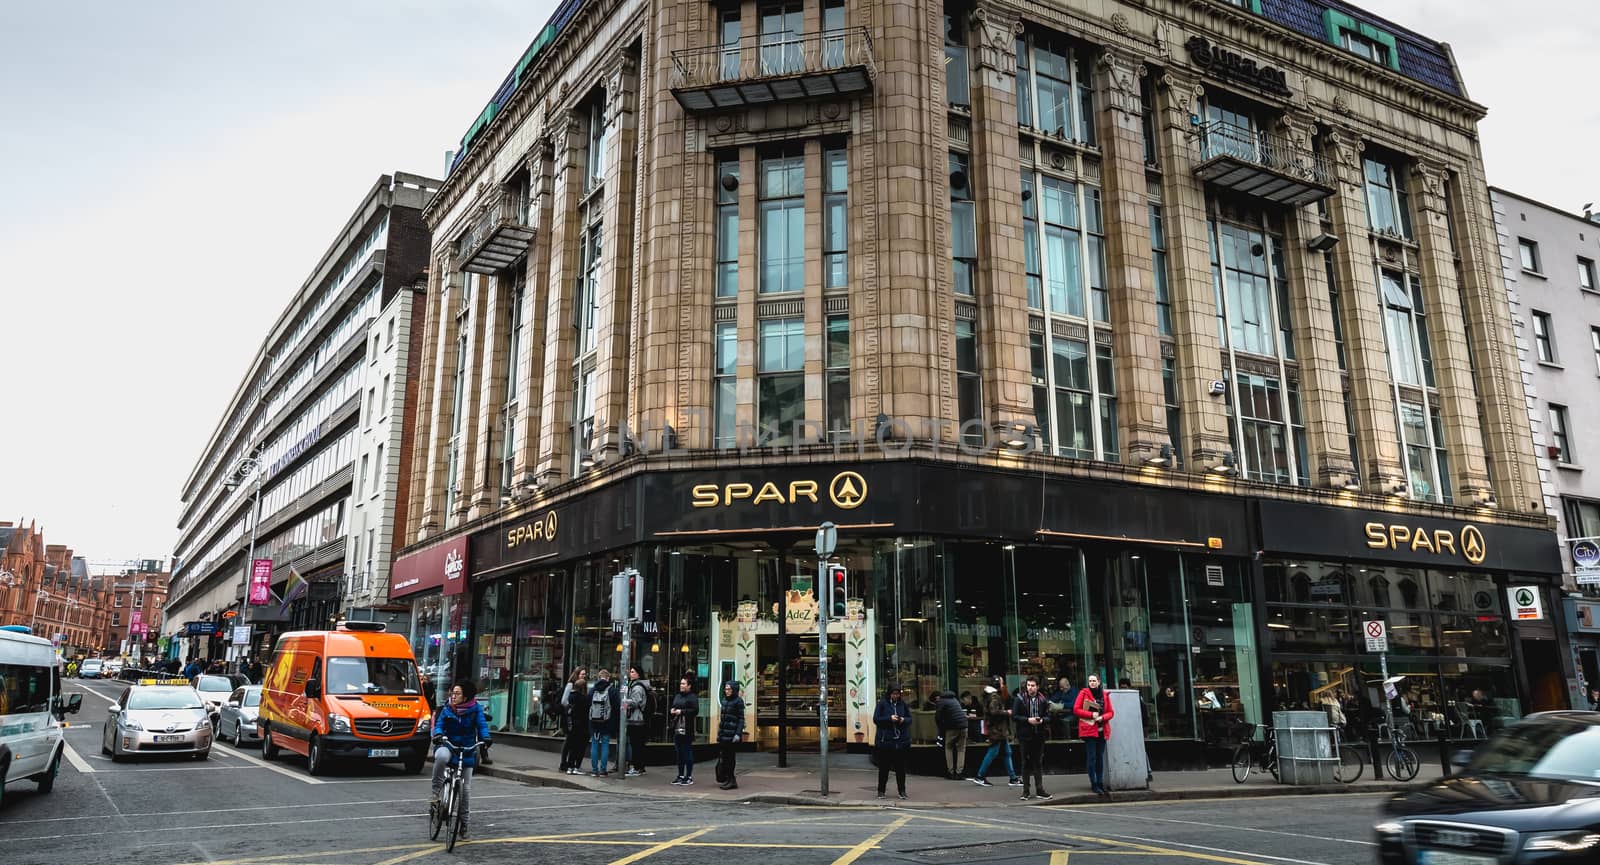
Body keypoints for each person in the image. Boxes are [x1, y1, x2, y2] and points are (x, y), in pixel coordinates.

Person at [430, 681, 490, 840]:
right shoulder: (447, 707)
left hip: (467, 750)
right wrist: (438, 734)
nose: (453, 696)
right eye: (452, 693)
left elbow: (482, 725)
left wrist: (486, 738)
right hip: (448, 745)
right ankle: (436, 794)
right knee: (441, 757)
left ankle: (464, 825)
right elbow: (439, 724)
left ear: (466, 697)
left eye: (457, 693)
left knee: (466, 790)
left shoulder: (476, 709)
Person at [971, 675, 1019, 787]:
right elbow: (994, 712)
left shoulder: (990, 695)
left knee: (1007, 752)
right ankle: (980, 776)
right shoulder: (994, 697)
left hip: (997, 729)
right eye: (1001, 683)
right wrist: (1007, 712)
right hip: (997, 729)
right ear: (997, 684)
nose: (1003, 685)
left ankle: (1013, 778)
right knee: (993, 752)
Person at [1075, 674, 1114, 797]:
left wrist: (1102, 717)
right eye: (1090, 681)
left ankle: (1100, 782)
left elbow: (1111, 712)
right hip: (1089, 730)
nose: (1092, 683)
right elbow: (1076, 709)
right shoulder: (1083, 693)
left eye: (1094, 681)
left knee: (1099, 758)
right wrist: (1091, 715)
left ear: (1099, 682)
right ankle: (1094, 784)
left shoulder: (1105, 695)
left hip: (1102, 730)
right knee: (1091, 758)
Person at [1013, 676, 1052, 800]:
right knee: (1025, 763)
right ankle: (1026, 791)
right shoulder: (1020, 699)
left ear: (1037, 687)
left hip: (1038, 735)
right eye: (1029, 685)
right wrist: (1027, 720)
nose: (1030, 688)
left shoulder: (1043, 700)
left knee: (1038, 763)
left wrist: (1041, 721)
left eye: (1033, 685)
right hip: (1024, 735)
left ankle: (1040, 789)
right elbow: (1014, 716)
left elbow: (1049, 717)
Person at [873, 683, 912, 800]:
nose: (896, 696)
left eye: (898, 694)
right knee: (884, 768)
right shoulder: (882, 704)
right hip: (886, 741)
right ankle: (881, 791)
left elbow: (910, 719)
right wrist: (889, 719)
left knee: (900, 769)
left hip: (900, 742)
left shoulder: (902, 704)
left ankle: (902, 791)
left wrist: (903, 720)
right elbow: (876, 719)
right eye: (894, 694)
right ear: (889, 693)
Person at [934, 690, 973, 779]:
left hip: (952, 727)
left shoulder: (942, 701)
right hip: (964, 725)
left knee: (948, 747)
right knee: (961, 749)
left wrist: (941, 728)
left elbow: (938, 717)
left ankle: (950, 772)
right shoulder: (955, 700)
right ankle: (959, 772)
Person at [715, 680, 746, 789]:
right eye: (726, 689)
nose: (726, 691)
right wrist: (720, 733)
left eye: (729, 689)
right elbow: (722, 720)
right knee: (725, 757)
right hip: (724, 734)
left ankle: (732, 780)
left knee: (730, 758)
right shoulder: (724, 701)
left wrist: (737, 734)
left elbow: (741, 719)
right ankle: (728, 779)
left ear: (734, 690)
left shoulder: (738, 702)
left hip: (732, 735)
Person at [559, 669, 589, 775]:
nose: (584, 676)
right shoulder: (574, 689)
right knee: (572, 744)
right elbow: (564, 701)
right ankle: (568, 764)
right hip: (576, 722)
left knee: (572, 744)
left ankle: (569, 765)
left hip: (572, 721)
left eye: (585, 674)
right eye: (582, 674)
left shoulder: (575, 694)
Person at [669, 676, 698, 785]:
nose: (681, 685)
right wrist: (672, 710)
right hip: (677, 727)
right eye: (681, 683)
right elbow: (674, 705)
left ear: (689, 686)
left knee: (687, 752)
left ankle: (689, 776)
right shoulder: (677, 696)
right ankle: (680, 775)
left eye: (684, 684)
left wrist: (682, 711)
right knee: (679, 753)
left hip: (687, 728)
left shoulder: (692, 697)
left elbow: (695, 710)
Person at [624, 667, 652, 777]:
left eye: (632, 672)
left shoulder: (637, 688)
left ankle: (637, 767)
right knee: (638, 744)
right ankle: (640, 767)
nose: (630, 674)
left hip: (636, 719)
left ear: (638, 674)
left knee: (636, 745)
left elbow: (635, 702)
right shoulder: (639, 686)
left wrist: (625, 701)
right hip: (638, 719)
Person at [588, 673, 616, 776]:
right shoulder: (612, 690)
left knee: (594, 745)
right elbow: (617, 707)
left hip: (594, 723)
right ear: (608, 678)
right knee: (605, 745)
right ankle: (603, 770)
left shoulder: (592, 690)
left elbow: (588, 704)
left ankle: (594, 770)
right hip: (607, 722)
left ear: (599, 677)